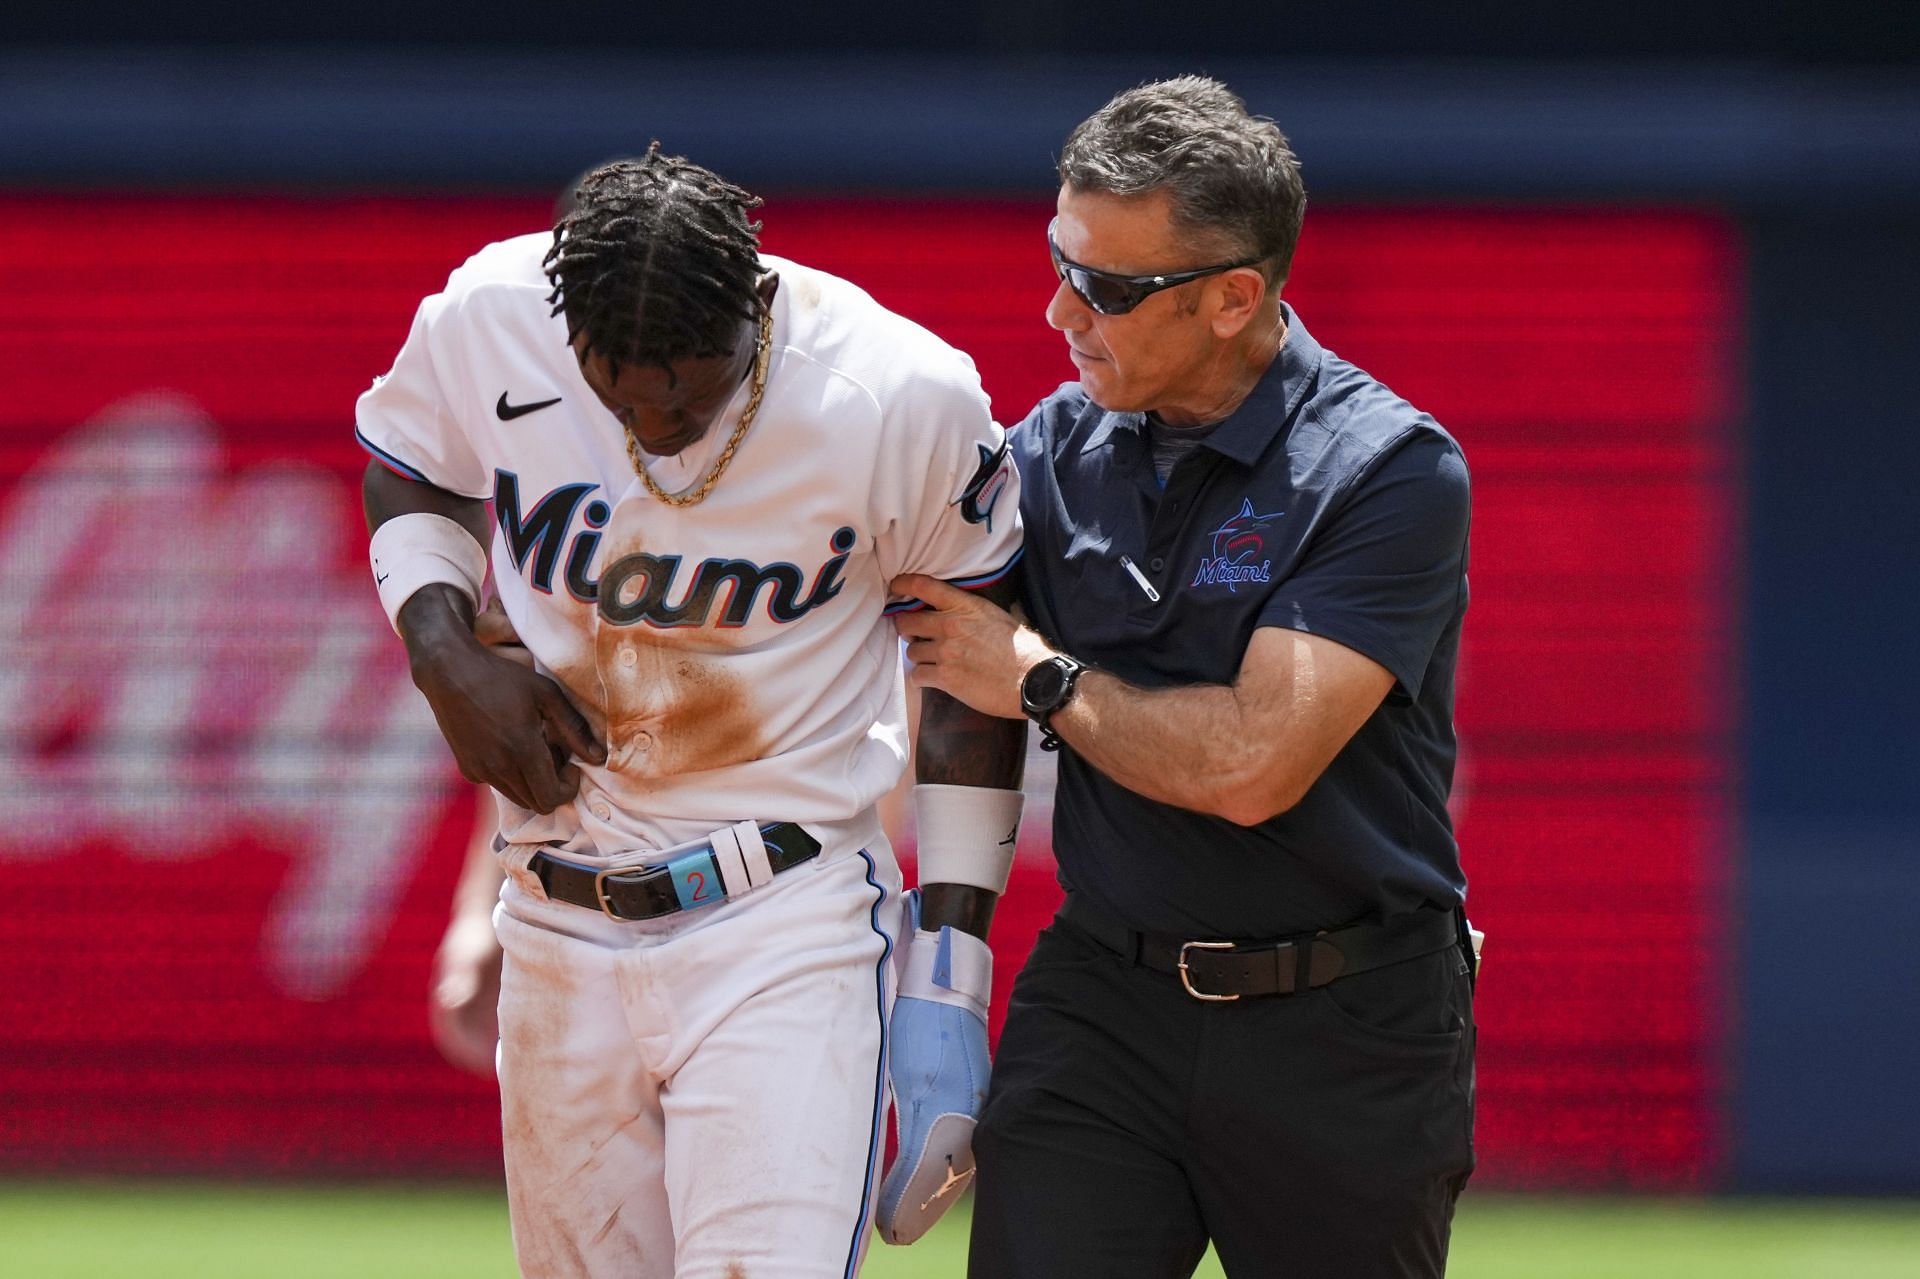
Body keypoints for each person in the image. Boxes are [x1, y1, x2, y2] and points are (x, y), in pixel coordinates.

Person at [357, 145, 1028, 1278]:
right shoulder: (492, 313)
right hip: (558, 906)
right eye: (619, 376)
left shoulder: (896, 391)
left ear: (756, 303)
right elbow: (410, 461)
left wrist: (950, 968)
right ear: (561, 310)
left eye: (687, 373)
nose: (654, 407)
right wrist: (437, 647)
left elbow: (974, 670)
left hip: (784, 915)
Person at [893, 76, 1477, 1278]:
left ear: (1233, 299)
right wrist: (940, 981)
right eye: (1059, 260)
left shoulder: (1389, 471)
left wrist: (1047, 684)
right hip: (1106, 998)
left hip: (1347, 1022)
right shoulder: (1047, 451)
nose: (1060, 309)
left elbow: (1254, 764)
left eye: (1108, 287)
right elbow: (942, 657)